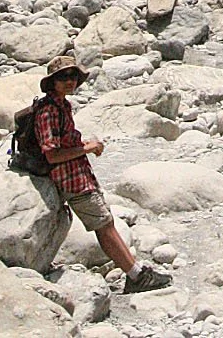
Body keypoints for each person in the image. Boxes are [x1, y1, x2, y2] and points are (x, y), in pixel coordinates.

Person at [31, 55, 171, 294]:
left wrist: (84, 144)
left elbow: (62, 143)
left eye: (73, 76)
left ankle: (136, 272)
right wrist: (86, 147)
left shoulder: (61, 105)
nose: (69, 81)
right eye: (63, 77)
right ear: (53, 81)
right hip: (70, 179)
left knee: (106, 222)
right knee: (104, 225)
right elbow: (52, 154)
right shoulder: (49, 112)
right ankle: (136, 275)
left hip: (78, 174)